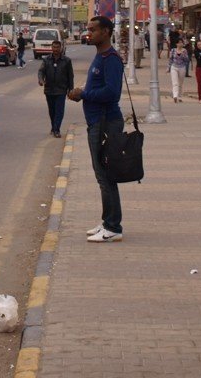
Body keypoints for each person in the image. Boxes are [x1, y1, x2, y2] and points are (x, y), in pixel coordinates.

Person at [67, 16, 125, 243]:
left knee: (105, 176)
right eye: (87, 28)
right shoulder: (100, 57)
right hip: (97, 123)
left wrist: (84, 94)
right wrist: (81, 93)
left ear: (107, 32)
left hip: (106, 123)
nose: (88, 33)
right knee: (102, 175)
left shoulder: (110, 59)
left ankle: (113, 227)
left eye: (93, 29)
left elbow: (112, 93)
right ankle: (107, 221)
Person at [38, 40, 74, 138]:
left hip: (61, 90)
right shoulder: (46, 60)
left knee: (59, 111)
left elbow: (70, 76)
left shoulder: (67, 61)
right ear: (51, 48)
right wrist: (41, 80)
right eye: (54, 47)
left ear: (61, 48)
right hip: (49, 89)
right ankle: (54, 126)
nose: (56, 49)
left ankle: (57, 129)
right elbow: (41, 71)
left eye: (58, 47)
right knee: (52, 111)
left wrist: (71, 89)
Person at [169, 38, 189, 103]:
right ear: (176, 44)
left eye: (181, 43)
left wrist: (183, 55)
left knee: (180, 83)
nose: (180, 44)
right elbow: (170, 59)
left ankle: (180, 96)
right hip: (174, 67)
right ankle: (175, 96)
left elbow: (186, 60)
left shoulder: (184, 51)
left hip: (182, 68)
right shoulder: (173, 50)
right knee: (175, 83)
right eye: (179, 43)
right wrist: (168, 67)